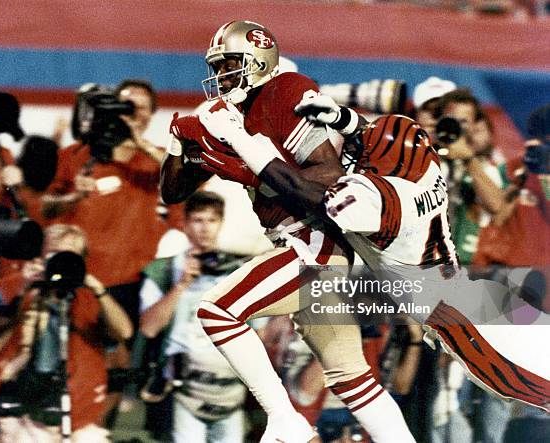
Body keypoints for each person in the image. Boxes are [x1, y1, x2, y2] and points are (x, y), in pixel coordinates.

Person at [196, 93, 550, 414]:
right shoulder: (425, 165)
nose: (356, 156)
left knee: (538, 391)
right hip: (473, 294)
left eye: (365, 155)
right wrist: (342, 118)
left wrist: (240, 140)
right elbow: (390, 136)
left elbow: (298, 188)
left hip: (456, 317)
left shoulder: (379, 197)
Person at [161, 20, 415, 443]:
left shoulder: (285, 93)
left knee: (217, 310)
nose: (221, 77)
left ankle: (284, 419)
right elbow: (173, 191)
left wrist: (246, 162)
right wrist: (177, 147)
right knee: (354, 379)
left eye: (229, 65)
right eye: (218, 67)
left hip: (314, 241)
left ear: (259, 62)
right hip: (300, 245)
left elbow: (326, 182)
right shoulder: (234, 115)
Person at [42, 79, 181, 425]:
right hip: (75, 272)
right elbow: (39, 207)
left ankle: (99, 432)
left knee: (117, 366)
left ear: (150, 115)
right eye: (124, 106)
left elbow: (191, 178)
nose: (130, 114)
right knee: (62, 358)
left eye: (139, 108)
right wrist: (72, 197)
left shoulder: (152, 162)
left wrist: (139, 142)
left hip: (126, 280)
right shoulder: (77, 157)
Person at [0, 224, 133, 442]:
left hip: (76, 412)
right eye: (55, 254)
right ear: (41, 256)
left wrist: (95, 287)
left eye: (70, 256)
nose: (61, 263)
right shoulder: (14, 288)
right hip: (20, 411)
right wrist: (23, 290)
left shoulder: (89, 299)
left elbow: (124, 331)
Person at [139, 191, 258, 443]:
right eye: (197, 220)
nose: (204, 228)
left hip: (228, 383)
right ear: (184, 224)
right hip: (180, 383)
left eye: (211, 220)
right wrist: (181, 285)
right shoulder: (163, 270)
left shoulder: (239, 269)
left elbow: (258, 329)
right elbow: (149, 328)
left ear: (221, 224)